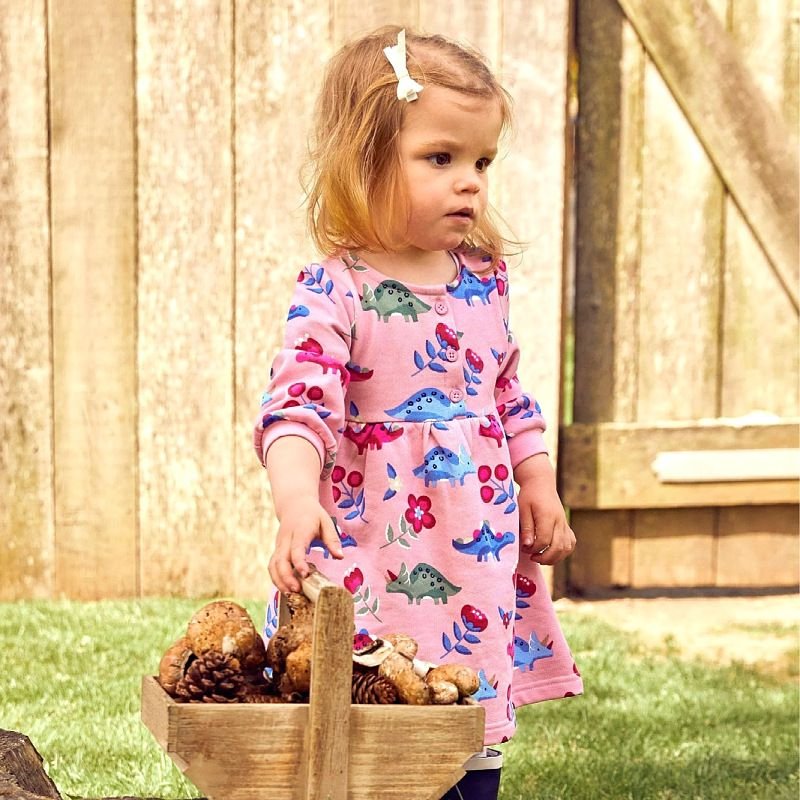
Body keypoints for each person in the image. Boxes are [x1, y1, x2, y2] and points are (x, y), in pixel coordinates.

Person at [254, 25, 583, 798]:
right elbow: (296, 409)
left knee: (466, 723)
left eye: (482, 162)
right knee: (365, 722)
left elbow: (508, 394)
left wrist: (538, 482)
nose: (470, 182)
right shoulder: (336, 289)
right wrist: (296, 499)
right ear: (366, 159)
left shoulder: (483, 280)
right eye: (441, 158)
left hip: (471, 560)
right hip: (369, 552)